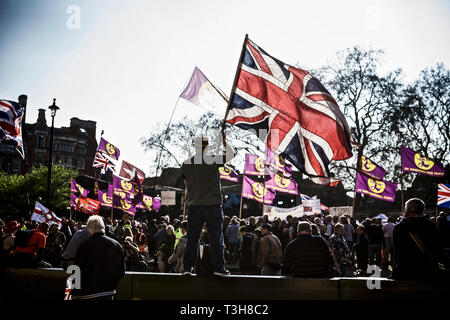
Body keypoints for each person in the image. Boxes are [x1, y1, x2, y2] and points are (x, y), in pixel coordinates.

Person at [181, 134, 235, 276]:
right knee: (216, 237)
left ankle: (187, 268)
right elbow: (231, 154)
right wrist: (224, 141)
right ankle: (219, 268)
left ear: (195, 146)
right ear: (207, 146)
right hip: (213, 204)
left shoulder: (186, 164)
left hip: (194, 205)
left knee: (192, 238)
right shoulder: (213, 160)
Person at [392, 198, 448, 281]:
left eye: (405, 207)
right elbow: (437, 248)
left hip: (405, 272)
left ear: (410, 209)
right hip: (428, 271)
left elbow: (396, 252)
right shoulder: (431, 226)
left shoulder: (399, 227)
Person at [72, 216, 125, 300]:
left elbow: (77, 269)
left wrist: (74, 292)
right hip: (108, 292)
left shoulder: (85, 245)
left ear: (89, 229)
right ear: (103, 227)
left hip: (86, 293)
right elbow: (121, 271)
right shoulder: (116, 245)